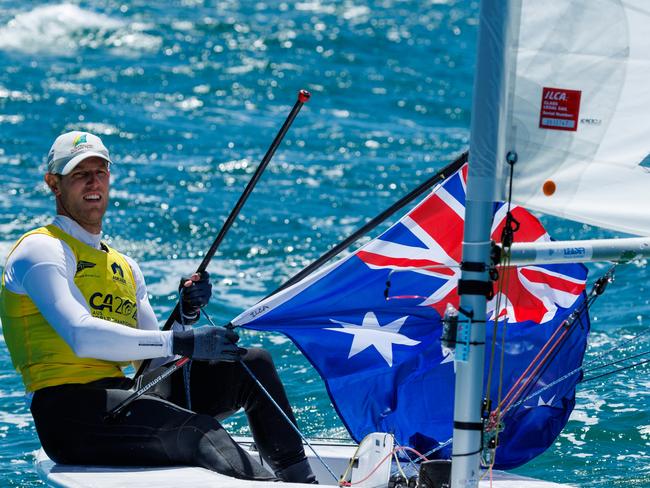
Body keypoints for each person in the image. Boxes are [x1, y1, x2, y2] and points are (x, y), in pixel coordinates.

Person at [0, 131, 316, 483]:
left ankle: (301, 480)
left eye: (100, 172)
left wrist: (186, 315)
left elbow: (155, 360)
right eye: (79, 174)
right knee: (199, 432)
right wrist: (180, 341)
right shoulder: (41, 250)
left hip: (123, 394)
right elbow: (80, 335)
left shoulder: (123, 265)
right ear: (53, 184)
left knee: (252, 364)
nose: (93, 182)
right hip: (69, 413)